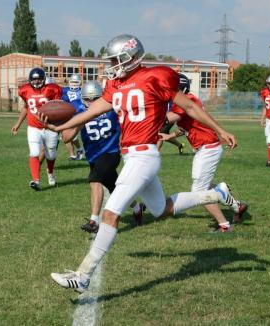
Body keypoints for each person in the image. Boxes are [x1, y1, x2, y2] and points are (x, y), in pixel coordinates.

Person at [40, 34, 238, 293]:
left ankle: (83, 275)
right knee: (162, 209)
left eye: (115, 59)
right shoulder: (116, 85)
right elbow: (92, 111)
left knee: (110, 214)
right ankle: (216, 193)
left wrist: (220, 130)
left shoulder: (156, 76)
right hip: (132, 156)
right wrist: (62, 126)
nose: (111, 64)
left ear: (130, 58)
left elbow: (189, 107)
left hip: (143, 155)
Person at [160, 73, 248, 227]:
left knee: (199, 191)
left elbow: (168, 119)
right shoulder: (189, 101)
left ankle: (224, 224)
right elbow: (185, 127)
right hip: (206, 147)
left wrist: (147, 114)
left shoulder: (187, 101)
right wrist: (170, 136)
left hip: (208, 147)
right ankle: (235, 204)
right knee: (204, 186)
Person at [61, 80, 144, 233]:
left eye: (95, 99)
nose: (91, 102)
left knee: (94, 180)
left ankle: (94, 221)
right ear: (82, 98)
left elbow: (130, 125)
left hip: (111, 152)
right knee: (115, 188)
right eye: (88, 99)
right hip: (93, 156)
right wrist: (82, 121)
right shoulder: (79, 110)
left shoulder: (112, 108)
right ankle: (137, 207)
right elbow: (66, 137)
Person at [11, 67, 62, 190]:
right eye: (34, 80)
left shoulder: (52, 89)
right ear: (29, 80)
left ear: (44, 79)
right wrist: (18, 124)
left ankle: (50, 172)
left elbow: (59, 107)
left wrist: (60, 124)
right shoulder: (25, 90)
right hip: (33, 127)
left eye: (39, 79)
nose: (37, 82)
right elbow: (26, 107)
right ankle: (36, 180)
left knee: (51, 155)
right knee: (34, 152)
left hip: (50, 126)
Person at [61, 74, 85, 160]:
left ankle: (79, 149)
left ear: (80, 83)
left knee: (73, 136)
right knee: (65, 136)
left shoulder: (83, 91)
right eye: (72, 82)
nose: (74, 84)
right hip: (68, 115)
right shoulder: (64, 90)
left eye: (76, 82)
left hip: (80, 115)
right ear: (69, 82)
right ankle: (73, 154)